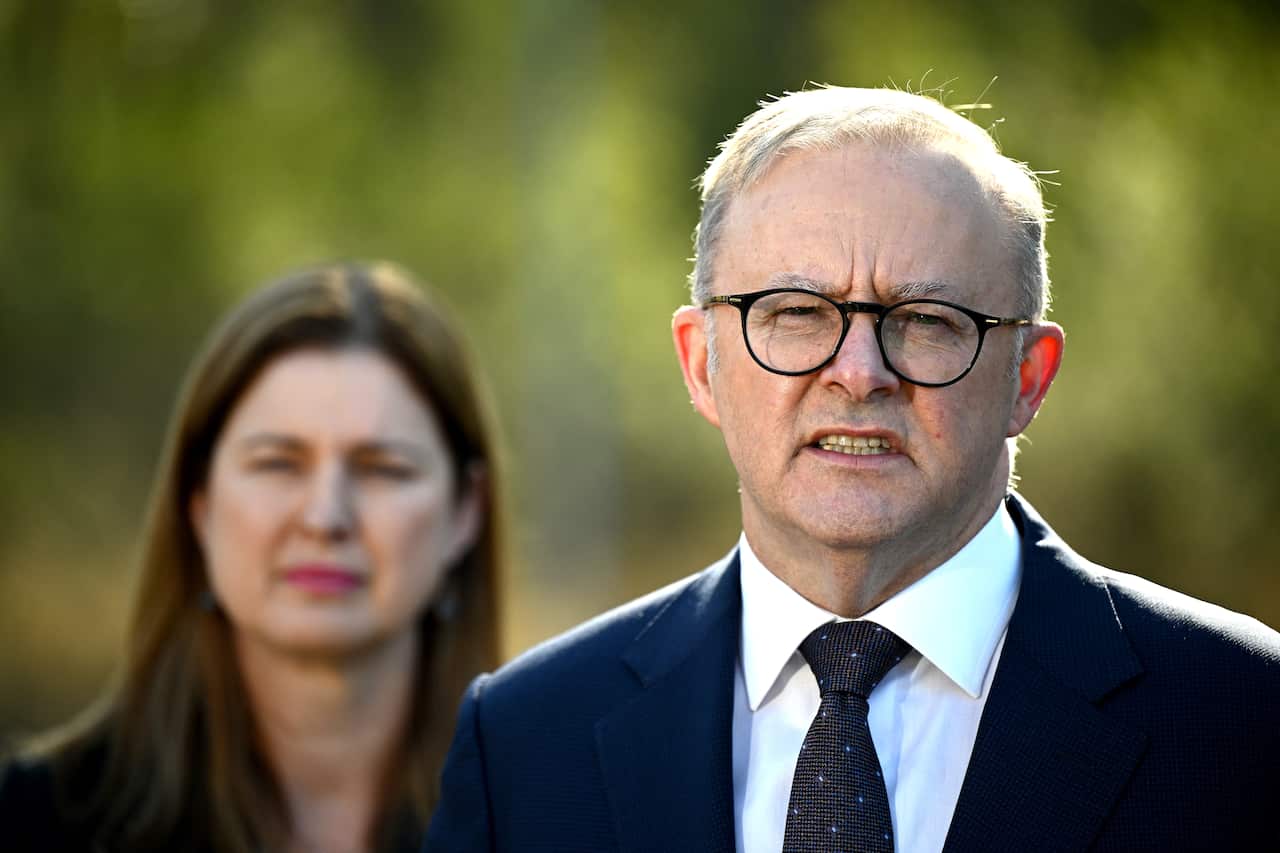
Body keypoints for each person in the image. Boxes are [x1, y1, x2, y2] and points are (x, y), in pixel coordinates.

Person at [424, 86, 1280, 852]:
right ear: (701, 363)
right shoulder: (527, 744)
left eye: (927, 319)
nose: (860, 372)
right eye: (797, 311)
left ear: (1027, 377)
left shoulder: (1243, 719)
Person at [0, 262, 505, 852]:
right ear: (199, 499)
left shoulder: (553, 812)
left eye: (383, 468)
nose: (325, 518)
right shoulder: (33, 824)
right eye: (277, 463)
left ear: (466, 509)